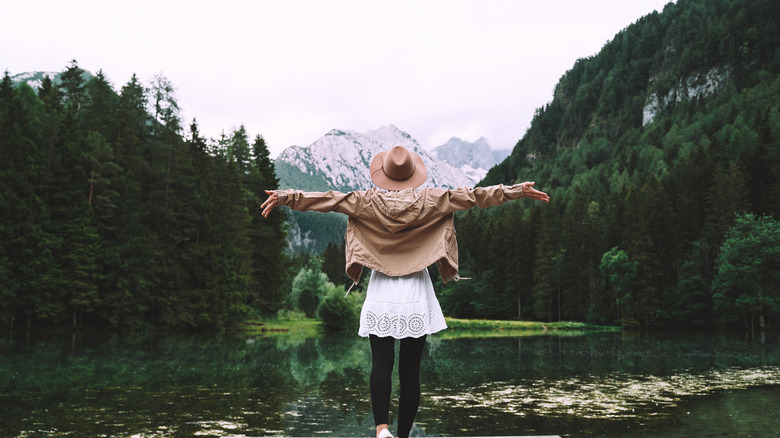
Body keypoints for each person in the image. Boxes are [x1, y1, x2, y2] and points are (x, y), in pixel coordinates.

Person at [261, 145, 549, 438]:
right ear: (413, 175)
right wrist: (516, 191)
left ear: (383, 174)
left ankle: (382, 429)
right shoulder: (432, 199)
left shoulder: (365, 201)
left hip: (382, 287)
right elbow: (475, 197)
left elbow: (329, 200)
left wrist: (288, 197)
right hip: (415, 287)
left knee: (381, 362)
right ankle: (403, 436)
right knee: (410, 372)